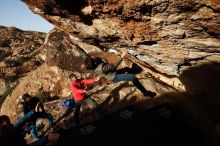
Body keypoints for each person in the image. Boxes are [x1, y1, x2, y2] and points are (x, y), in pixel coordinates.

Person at [63, 36, 156, 98]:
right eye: (92, 57)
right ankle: (145, 92)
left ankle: (138, 69)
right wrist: (122, 57)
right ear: (94, 63)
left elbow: (82, 52)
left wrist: (71, 43)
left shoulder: (91, 61)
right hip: (114, 77)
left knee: (128, 69)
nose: (92, 56)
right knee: (132, 77)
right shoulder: (101, 68)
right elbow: (113, 65)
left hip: (113, 73)